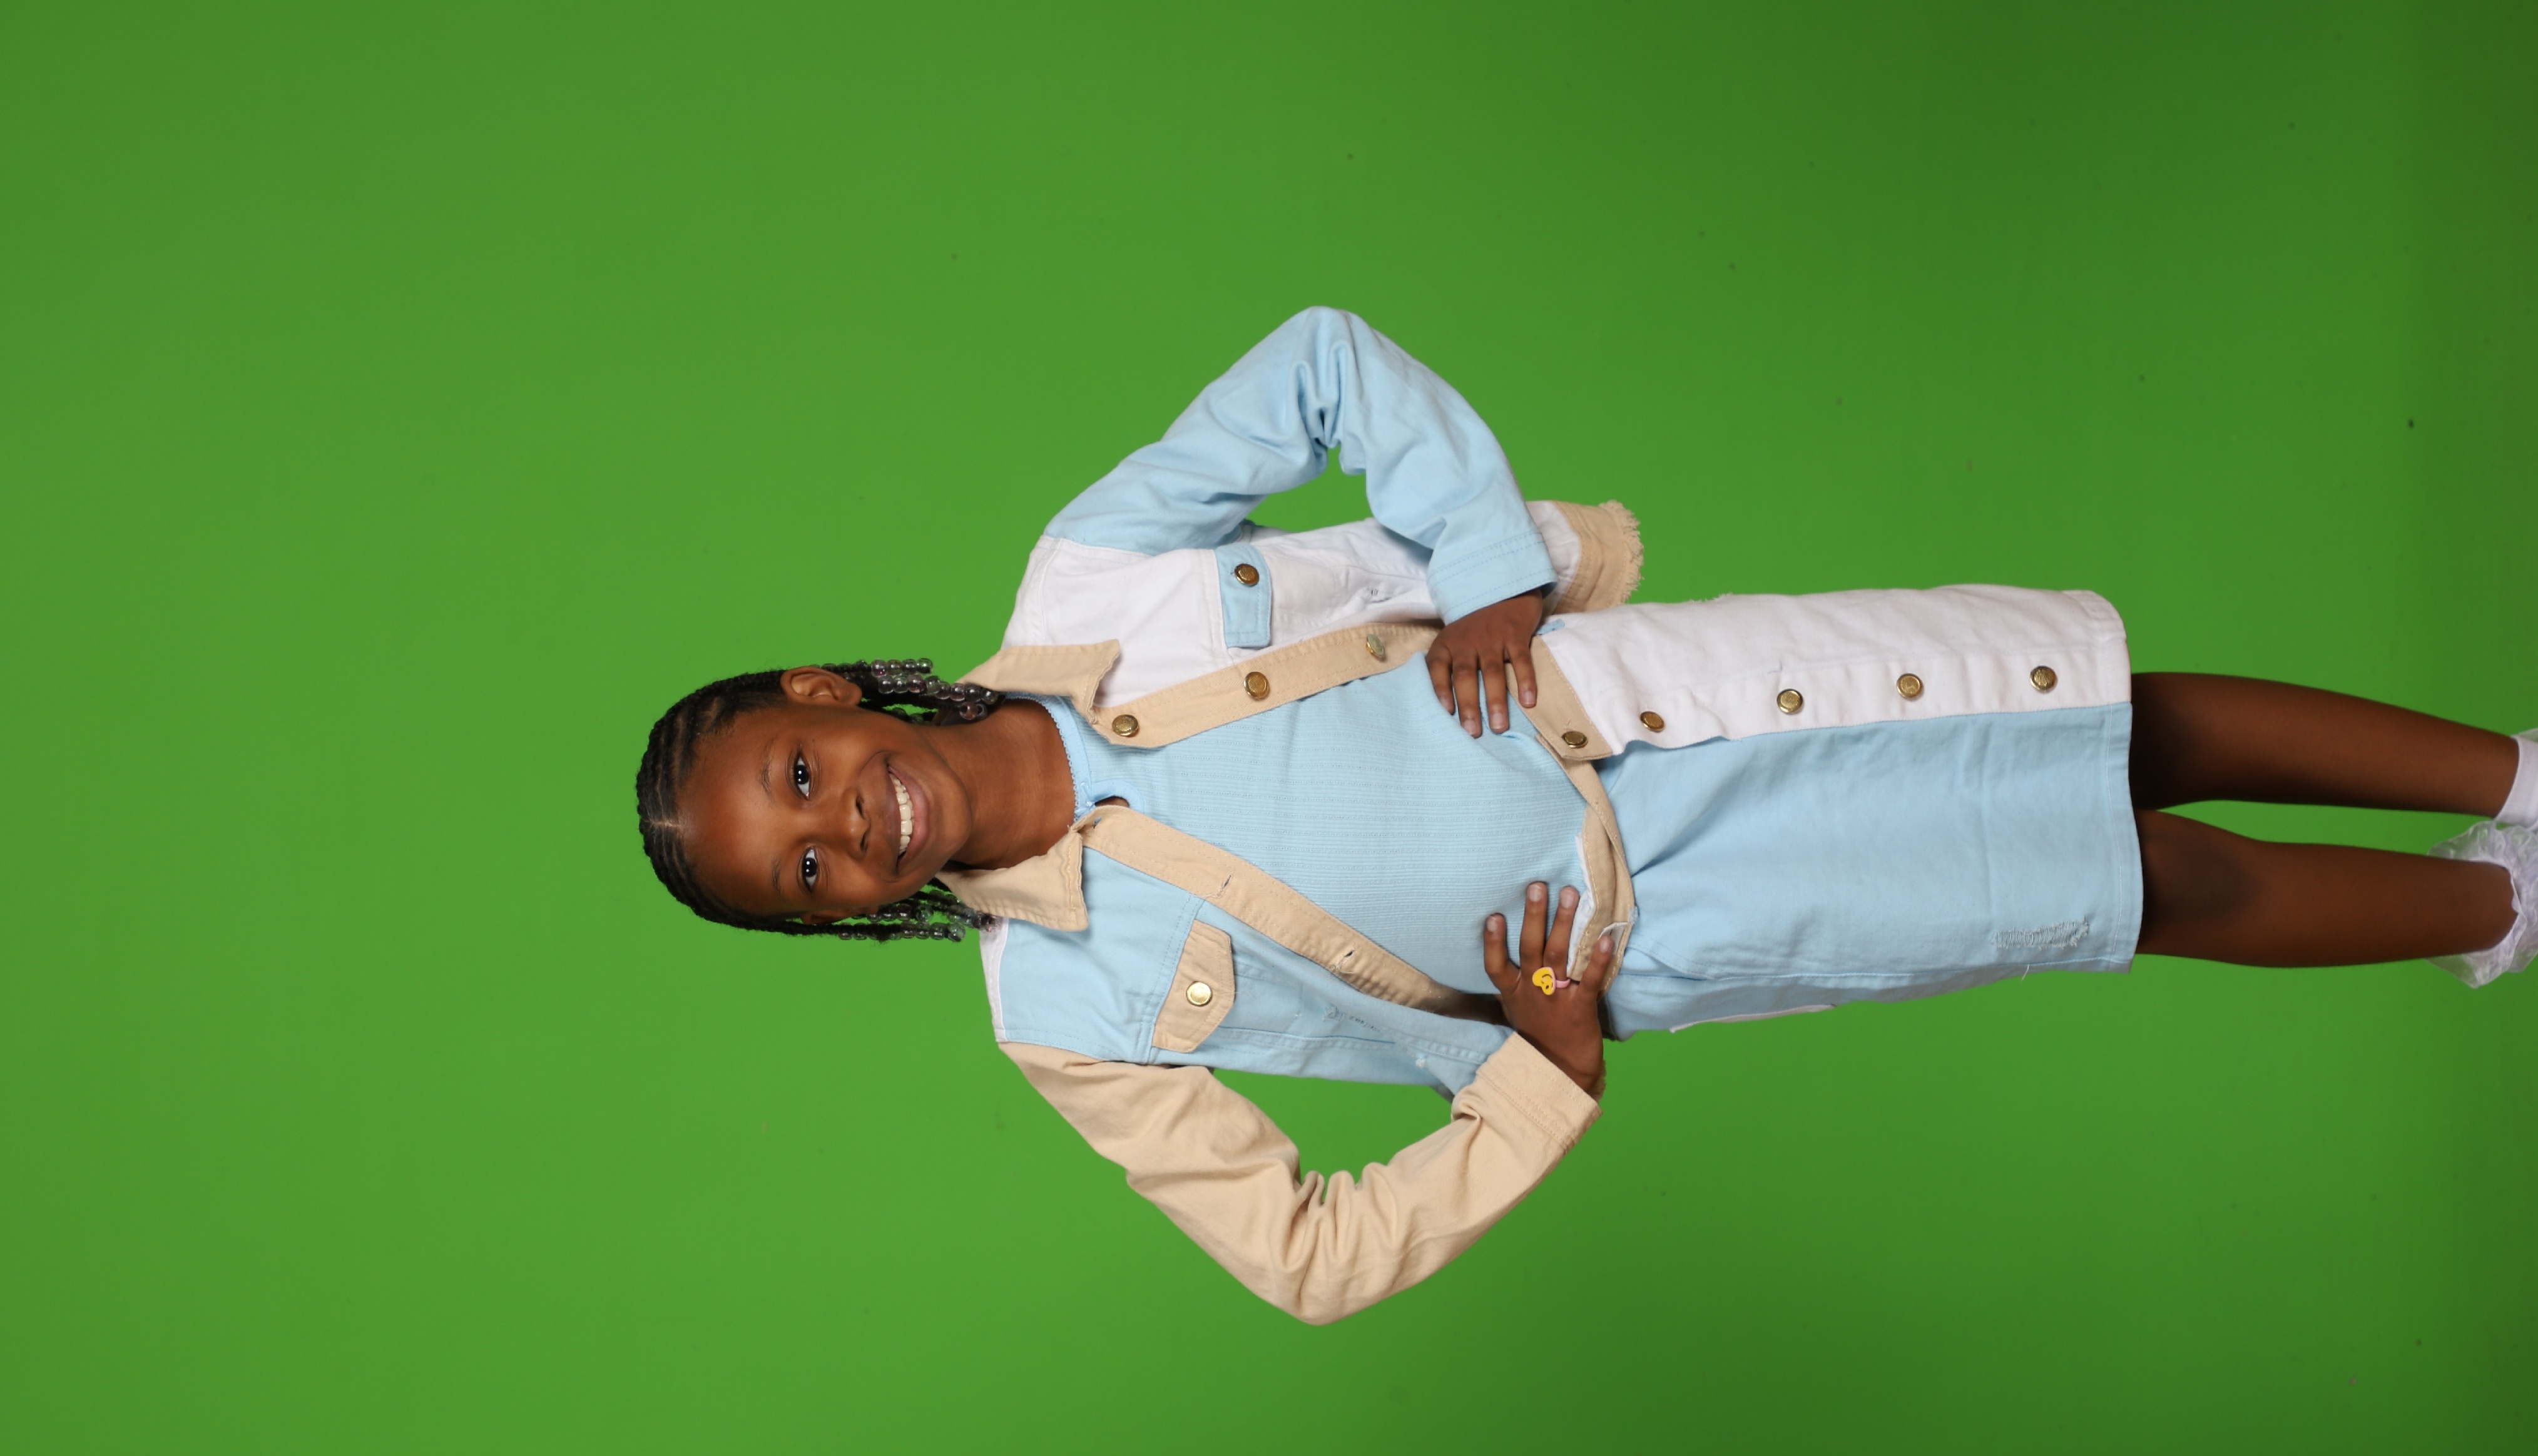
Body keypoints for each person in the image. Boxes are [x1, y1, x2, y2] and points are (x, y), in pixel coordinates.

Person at [635, 308, 2535, 1325]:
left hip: (1655, 704)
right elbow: (1305, 1257)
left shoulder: (1091, 581)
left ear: (824, 693)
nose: (844, 828)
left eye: (798, 776)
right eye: (804, 874)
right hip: (1679, 919)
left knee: (2122, 711)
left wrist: (1482, 565)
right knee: (2137, 882)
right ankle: (2505, 911)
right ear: (834, 920)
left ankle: (2520, 782)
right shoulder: (1060, 1013)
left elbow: (1319, 364)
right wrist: (1534, 1085)